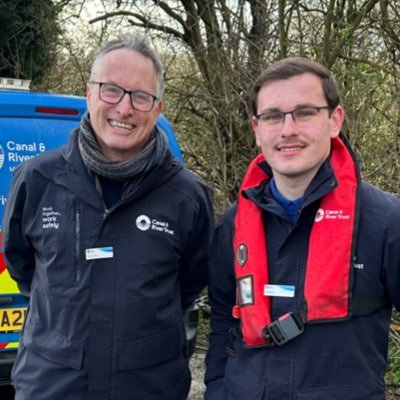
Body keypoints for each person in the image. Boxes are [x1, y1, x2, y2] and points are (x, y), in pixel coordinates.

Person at [2, 33, 214, 400]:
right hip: (52, 386)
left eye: (141, 96)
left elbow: (188, 284)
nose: (124, 108)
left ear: (158, 108)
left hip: (149, 387)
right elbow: (24, 268)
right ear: (89, 93)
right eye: (111, 90)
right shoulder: (36, 180)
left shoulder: (188, 197)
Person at [205, 57, 400, 399]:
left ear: (334, 120)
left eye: (305, 113)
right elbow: (223, 322)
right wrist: (217, 391)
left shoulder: (385, 222)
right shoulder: (233, 225)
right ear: (257, 129)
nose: (288, 130)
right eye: (273, 116)